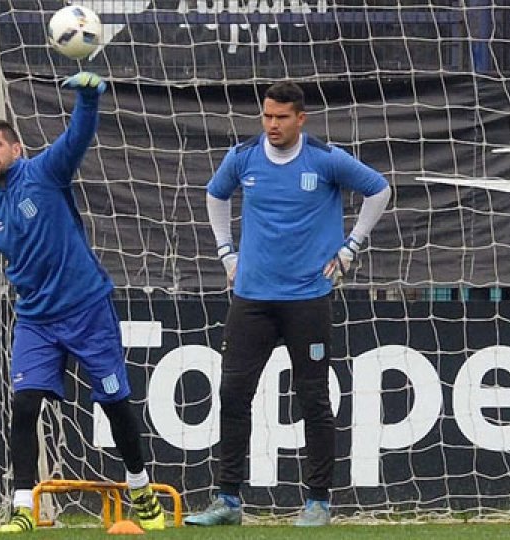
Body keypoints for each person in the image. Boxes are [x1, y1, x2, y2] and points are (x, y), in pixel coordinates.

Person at [0, 71, 165, 533]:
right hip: (35, 321)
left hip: (88, 309)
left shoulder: (45, 173)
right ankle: (24, 508)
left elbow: (77, 136)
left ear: (16, 149)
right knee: (25, 405)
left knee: (115, 404)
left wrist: (89, 98)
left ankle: (140, 489)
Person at [185, 81, 391, 527]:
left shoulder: (325, 158)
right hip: (252, 299)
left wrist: (350, 247)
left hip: (307, 299)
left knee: (314, 399)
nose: (272, 125)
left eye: (281, 117)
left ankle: (318, 501)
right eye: (267, 116)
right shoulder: (243, 158)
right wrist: (226, 254)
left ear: (301, 118)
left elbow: (379, 189)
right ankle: (228, 500)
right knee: (233, 395)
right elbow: (215, 195)